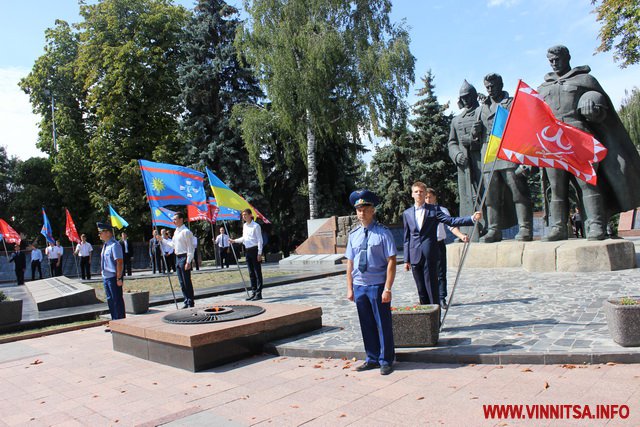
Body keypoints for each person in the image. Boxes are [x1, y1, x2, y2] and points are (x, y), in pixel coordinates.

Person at [538, 45, 640, 240]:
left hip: (579, 137)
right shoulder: (543, 88)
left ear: (567, 57)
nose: (553, 62)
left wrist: (592, 99)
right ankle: (558, 227)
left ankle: (596, 225)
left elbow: (601, 104)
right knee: (557, 187)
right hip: (552, 141)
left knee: (588, 183)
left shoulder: (584, 80)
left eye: (557, 58)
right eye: (550, 59)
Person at [403, 181, 482, 306]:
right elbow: (407, 237)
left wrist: (471, 219)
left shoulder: (434, 210)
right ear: (412, 194)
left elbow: (451, 221)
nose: (419, 194)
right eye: (416, 192)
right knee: (421, 290)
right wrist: (407, 259)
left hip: (430, 253)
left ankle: (435, 320)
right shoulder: (407, 213)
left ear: (425, 194)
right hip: (414, 255)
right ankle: (425, 318)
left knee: (432, 287)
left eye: (421, 192)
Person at [476, 73, 533, 243]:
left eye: (493, 86)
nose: (490, 89)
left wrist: (525, 158)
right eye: (487, 87)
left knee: (518, 192)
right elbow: (477, 137)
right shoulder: (482, 108)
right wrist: (475, 132)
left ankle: (525, 228)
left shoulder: (511, 103)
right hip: (489, 154)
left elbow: (524, 129)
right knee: (491, 196)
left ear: (501, 85)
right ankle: (494, 229)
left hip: (509, 150)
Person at [345, 189, 396, 376]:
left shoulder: (383, 233)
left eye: (365, 209)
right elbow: (350, 263)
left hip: (377, 285)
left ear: (372, 210)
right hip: (360, 286)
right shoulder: (353, 235)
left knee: (383, 323)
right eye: (358, 209)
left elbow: (391, 261)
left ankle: (386, 360)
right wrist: (349, 288)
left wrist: (388, 288)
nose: (361, 213)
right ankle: (372, 358)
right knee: (366, 324)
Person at [448, 80, 485, 239]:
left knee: (484, 195)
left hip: (481, 162)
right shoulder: (456, 120)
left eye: (468, 96)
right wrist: (457, 155)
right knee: (466, 197)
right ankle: (467, 231)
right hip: (464, 166)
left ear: (474, 96)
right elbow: (451, 142)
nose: (465, 100)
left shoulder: (482, 113)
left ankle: (488, 229)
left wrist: (474, 142)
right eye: (462, 97)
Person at [424, 188, 469, 310]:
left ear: (435, 198)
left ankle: (441, 297)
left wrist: (461, 236)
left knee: (441, 272)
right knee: (426, 273)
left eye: (430, 197)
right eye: (426, 197)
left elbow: (451, 225)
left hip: (438, 244)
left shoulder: (442, 210)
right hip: (425, 245)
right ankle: (428, 299)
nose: (428, 200)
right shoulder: (420, 211)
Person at [161, 212, 195, 308]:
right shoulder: (176, 231)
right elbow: (173, 245)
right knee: (181, 282)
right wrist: (162, 240)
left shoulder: (186, 232)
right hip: (177, 257)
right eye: (174, 219)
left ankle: (190, 302)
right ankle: (186, 300)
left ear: (181, 219)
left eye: (175, 219)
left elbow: (190, 248)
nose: (174, 221)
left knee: (186, 281)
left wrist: (188, 261)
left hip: (184, 257)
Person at [230, 209, 263, 300]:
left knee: (257, 272)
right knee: (251, 272)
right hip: (247, 250)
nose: (243, 216)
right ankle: (254, 291)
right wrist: (234, 241)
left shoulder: (256, 226)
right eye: (243, 215)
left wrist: (259, 253)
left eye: (245, 214)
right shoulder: (245, 226)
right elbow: (244, 238)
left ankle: (259, 293)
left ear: (250, 215)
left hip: (255, 250)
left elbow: (260, 240)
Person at [97, 222, 125, 324]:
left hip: (114, 277)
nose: (99, 235)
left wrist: (119, 278)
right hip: (106, 277)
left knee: (117, 300)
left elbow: (119, 262)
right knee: (110, 301)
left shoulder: (114, 245)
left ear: (108, 233)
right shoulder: (106, 245)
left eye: (101, 232)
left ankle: (121, 323)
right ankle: (114, 322)